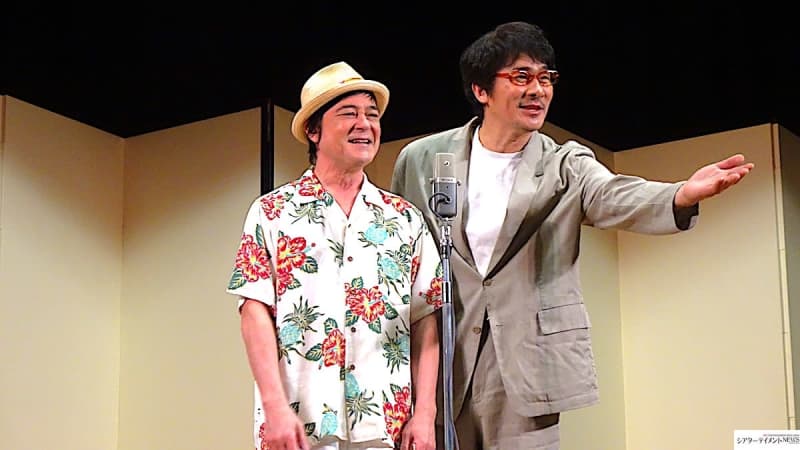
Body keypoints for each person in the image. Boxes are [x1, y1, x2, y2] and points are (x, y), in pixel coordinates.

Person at [390, 21, 754, 450]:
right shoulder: (425, 159)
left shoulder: (565, 164)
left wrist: (679, 195)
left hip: (526, 360)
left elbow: (611, 193)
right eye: (521, 76)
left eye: (546, 78)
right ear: (481, 90)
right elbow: (400, 249)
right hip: (443, 360)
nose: (538, 90)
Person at [227, 61, 443, 450]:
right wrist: (274, 407)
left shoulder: (405, 219)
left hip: (385, 425)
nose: (365, 124)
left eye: (372, 115)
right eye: (349, 113)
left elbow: (425, 317)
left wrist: (425, 413)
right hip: (298, 422)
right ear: (314, 131)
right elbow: (253, 310)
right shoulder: (273, 212)